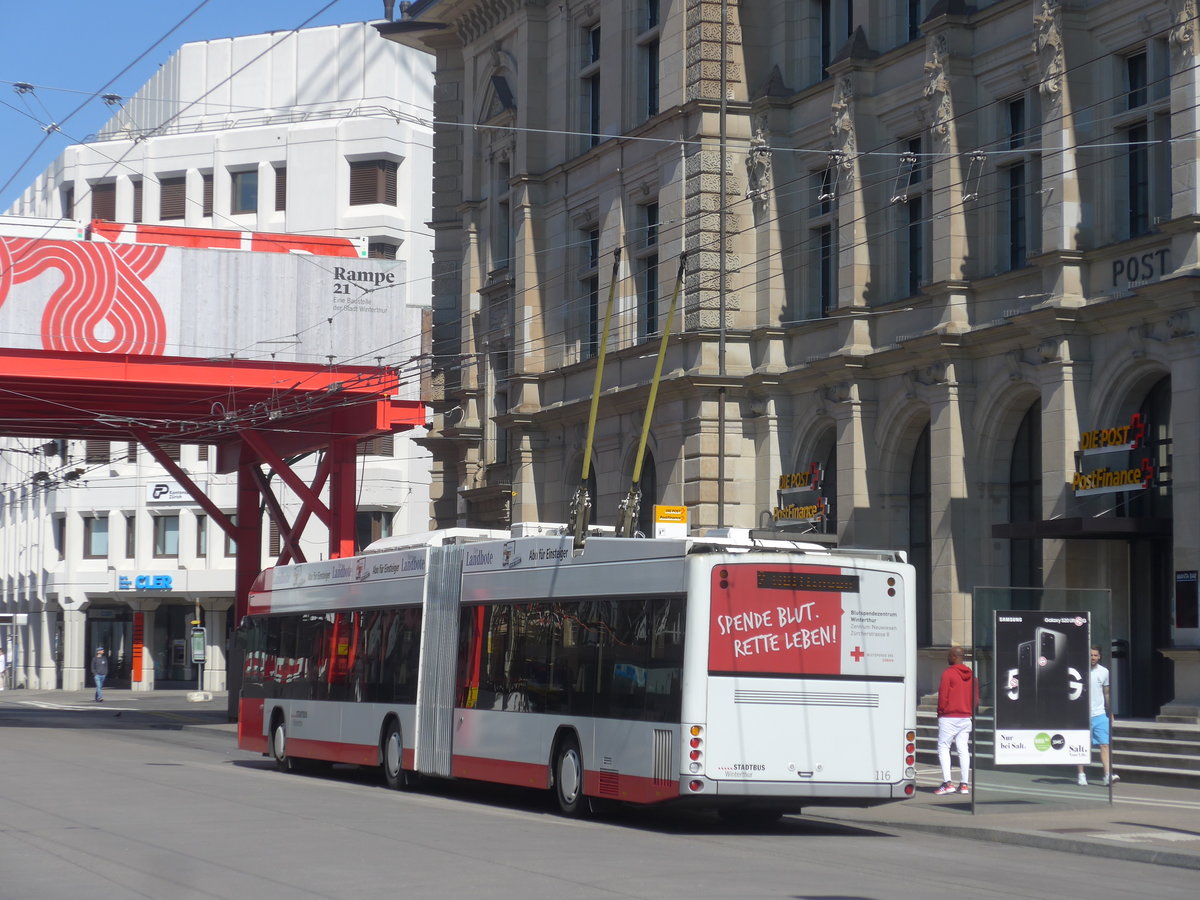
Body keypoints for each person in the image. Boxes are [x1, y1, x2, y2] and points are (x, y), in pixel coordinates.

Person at [934, 645, 978, 795]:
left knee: (943, 747)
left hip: (949, 716)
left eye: (949, 655)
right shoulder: (971, 674)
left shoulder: (948, 673)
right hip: (965, 717)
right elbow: (975, 698)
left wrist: (940, 712)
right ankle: (964, 784)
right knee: (963, 749)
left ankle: (947, 783)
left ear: (954, 657)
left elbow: (943, 695)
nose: (947, 657)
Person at [1078, 644, 1119, 786]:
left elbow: (1106, 693)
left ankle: (1107, 775)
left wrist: (1110, 711)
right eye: (1091, 655)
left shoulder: (1104, 672)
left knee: (1105, 744)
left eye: (1095, 655)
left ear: (1099, 657)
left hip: (1100, 714)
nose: (1093, 657)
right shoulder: (1080, 671)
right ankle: (1081, 774)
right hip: (1082, 715)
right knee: (1082, 746)